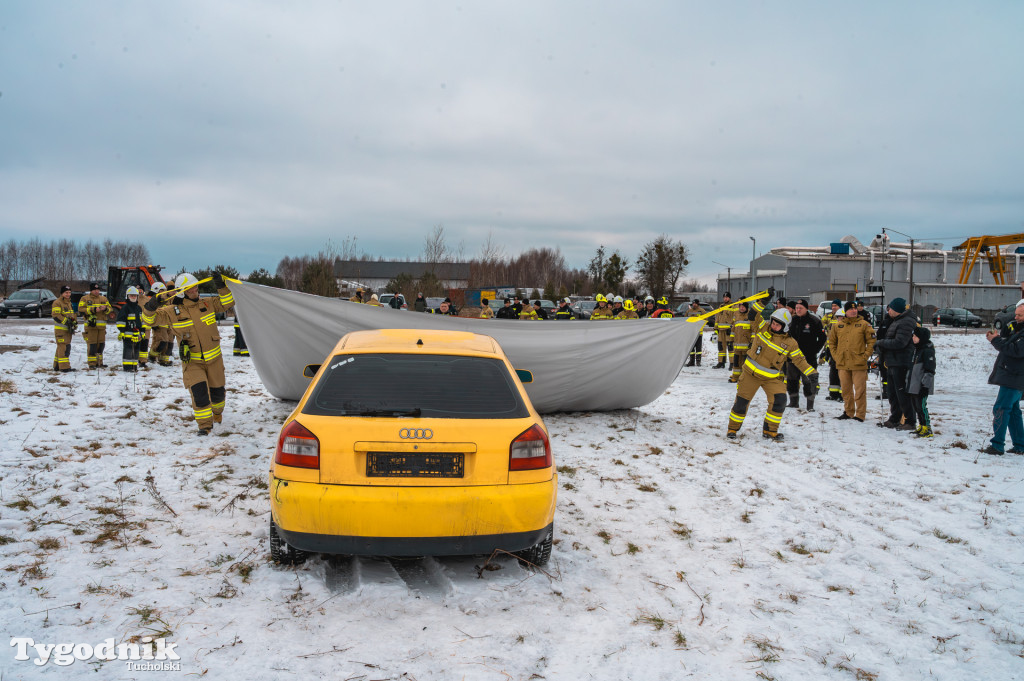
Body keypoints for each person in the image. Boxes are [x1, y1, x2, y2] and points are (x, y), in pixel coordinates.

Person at [143, 272, 235, 435]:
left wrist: (221, 286)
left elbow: (228, 302)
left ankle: (217, 413)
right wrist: (152, 305)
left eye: (195, 286)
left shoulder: (208, 303)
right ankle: (204, 426)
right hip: (192, 362)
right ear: (181, 292)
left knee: (218, 396)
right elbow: (150, 320)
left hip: (214, 360)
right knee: (199, 393)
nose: (194, 290)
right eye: (190, 288)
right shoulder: (172, 311)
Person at [726, 308, 818, 441]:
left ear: (785, 327)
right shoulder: (762, 327)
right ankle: (732, 429)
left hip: (771, 378)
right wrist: (763, 301)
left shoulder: (790, 343)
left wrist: (813, 375)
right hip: (750, 375)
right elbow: (752, 314)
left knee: (780, 400)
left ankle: (770, 430)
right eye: (773, 323)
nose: (774, 326)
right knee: (741, 402)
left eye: (778, 325)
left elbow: (799, 360)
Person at [982, 301, 1024, 455]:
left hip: (1014, 377)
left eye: (1020, 315)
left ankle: (997, 445)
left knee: (1001, 409)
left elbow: (1015, 351)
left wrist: (995, 340)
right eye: (1016, 314)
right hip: (1014, 377)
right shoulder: (1019, 329)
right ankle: (1020, 445)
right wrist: (998, 338)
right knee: (1013, 411)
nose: (1016, 317)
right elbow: (1011, 345)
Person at [874, 297, 918, 431]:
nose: (888, 311)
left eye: (890, 308)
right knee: (892, 393)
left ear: (896, 309)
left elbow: (900, 342)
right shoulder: (897, 321)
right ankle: (894, 419)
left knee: (902, 394)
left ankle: (910, 421)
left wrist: (881, 343)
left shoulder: (906, 322)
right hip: (892, 362)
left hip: (901, 363)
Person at [828, 302, 876, 422]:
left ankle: (860, 414)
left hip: (858, 363)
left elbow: (872, 342)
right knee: (846, 390)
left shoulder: (864, 325)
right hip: (843, 363)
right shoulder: (838, 326)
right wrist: (836, 356)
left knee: (860, 391)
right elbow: (832, 343)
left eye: (855, 309)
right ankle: (848, 412)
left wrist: (865, 356)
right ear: (845, 311)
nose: (854, 311)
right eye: (850, 309)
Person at [786, 299, 827, 410]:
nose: (798, 310)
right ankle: (793, 402)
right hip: (792, 357)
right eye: (797, 308)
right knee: (792, 380)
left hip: (808, 358)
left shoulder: (814, 320)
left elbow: (822, 338)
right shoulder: (791, 320)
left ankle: (810, 404)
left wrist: (815, 350)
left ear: (806, 309)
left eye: (801, 308)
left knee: (808, 381)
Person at [907, 326, 935, 438]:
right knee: (916, 406)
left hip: (922, 385)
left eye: (915, 336)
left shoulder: (927, 351)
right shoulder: (916, 350)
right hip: (914, 384)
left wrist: (925, 386)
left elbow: (929, 370)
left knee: (922, 407)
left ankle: (927, 428)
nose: (913, 338)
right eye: (913, 336)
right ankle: (922, 425)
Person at [79, 282, 111, 369]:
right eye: (94, 290)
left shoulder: (104, 299)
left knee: (101, 345)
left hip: (101, 328)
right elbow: (80, 309)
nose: (96, 291)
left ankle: (99, 362)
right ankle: (92, 363)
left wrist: (106, 309)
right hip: (91, 327)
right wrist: (92, 309)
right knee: (92, 345)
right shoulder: (84, 298)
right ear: (91, 290)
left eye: (98, 290)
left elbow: (110, 309)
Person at [115, 286, 144, 372]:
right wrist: (122, 331)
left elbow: (142, 321)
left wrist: (142, 332)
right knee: (128, 350)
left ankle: (134, 366)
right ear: (127, 296)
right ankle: (127, 367)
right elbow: (120, 320)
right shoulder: (125, 308)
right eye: (131, 295)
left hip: (137, 334)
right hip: (128, 333)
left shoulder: (139, 308)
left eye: (135, 295)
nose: (133, 297)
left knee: (136, 350)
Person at [820, 299, 843, 401]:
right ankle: (833, 393)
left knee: (842, 373)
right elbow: (822, 324)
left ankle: (842, 395)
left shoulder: (844, 318)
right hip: (831, 348)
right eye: (832, 305)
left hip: (842, 350)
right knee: (833, 372)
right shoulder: (828, 316)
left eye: (835, 306)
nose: (833, 307)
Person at [51, 285, 77, 372]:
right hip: (61, 330)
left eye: (69, 292)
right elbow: (56, 315)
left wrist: (74, 323)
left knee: (62, 347)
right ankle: (64, 367)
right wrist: (67, 321)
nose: (68, 294)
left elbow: (72, 315)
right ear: (62, 293)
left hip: (67, 330)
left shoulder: (69, 303)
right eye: (66, 293)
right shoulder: (57, 302)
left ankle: (57, 366)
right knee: (64, 348)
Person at [148, 282, 173, 366]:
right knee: (161, 342)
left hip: (169, 325)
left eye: (164, 290)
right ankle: (152, 356)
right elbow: (151, 313)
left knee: (169, 343)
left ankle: (164, 359)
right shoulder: (154, 301)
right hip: (160, 325)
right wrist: (153, 324)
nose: (163, 292)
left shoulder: (167, 299)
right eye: (161, 290)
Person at [729, 302, 751, 383]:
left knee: (745, 363)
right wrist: (731, 340)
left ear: (746, 307)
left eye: (743, 307)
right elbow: (733, 329)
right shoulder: (737, 315)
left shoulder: (750, 316)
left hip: (746, 345)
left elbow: (753, 330)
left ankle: (744, 378)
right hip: (737, 345)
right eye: (740, 306)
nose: (741, 308)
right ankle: (735, 377)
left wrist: (752, 342)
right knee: (736, 362)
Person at [713, 292, 735, 369]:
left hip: (728, 330)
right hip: (721, 331)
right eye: (724, 297)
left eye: (727, 297)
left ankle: (732, 363)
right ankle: (721, 362)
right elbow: (717, 318)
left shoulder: (733, 306)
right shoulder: (721, 306)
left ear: (729, 298)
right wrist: (716, 328)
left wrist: (732, 328)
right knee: (721, 348)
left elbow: (735, 318)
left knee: (730, 348)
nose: (725, 299)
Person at [684, 300, 706, 366]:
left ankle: (698, 361)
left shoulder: (702, 311)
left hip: (698, 332)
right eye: (693, 303)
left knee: (698, 348)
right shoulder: (689, 311)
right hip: (690, 332)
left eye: (695, 303)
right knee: (691, 347)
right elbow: (685, 319)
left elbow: (705, 320)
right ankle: (692, 361)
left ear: (698, 304)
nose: (694, 304)